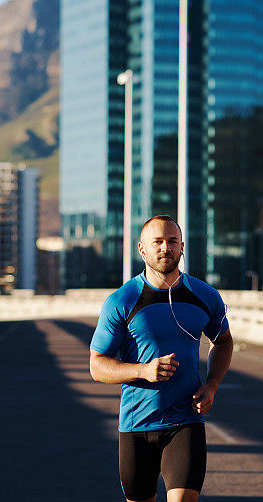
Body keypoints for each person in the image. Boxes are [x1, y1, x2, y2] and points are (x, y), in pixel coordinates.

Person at [90, 215, 233, 502]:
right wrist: (144, 371)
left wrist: (212, 384)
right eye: (157, 242)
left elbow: (224, 341)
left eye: (172, 241)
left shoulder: (205, 296)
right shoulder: (122, 300)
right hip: (136, 426)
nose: (165, 248)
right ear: (142, 249)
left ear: (182, 248)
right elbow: (97, 366)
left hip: (186, 421)